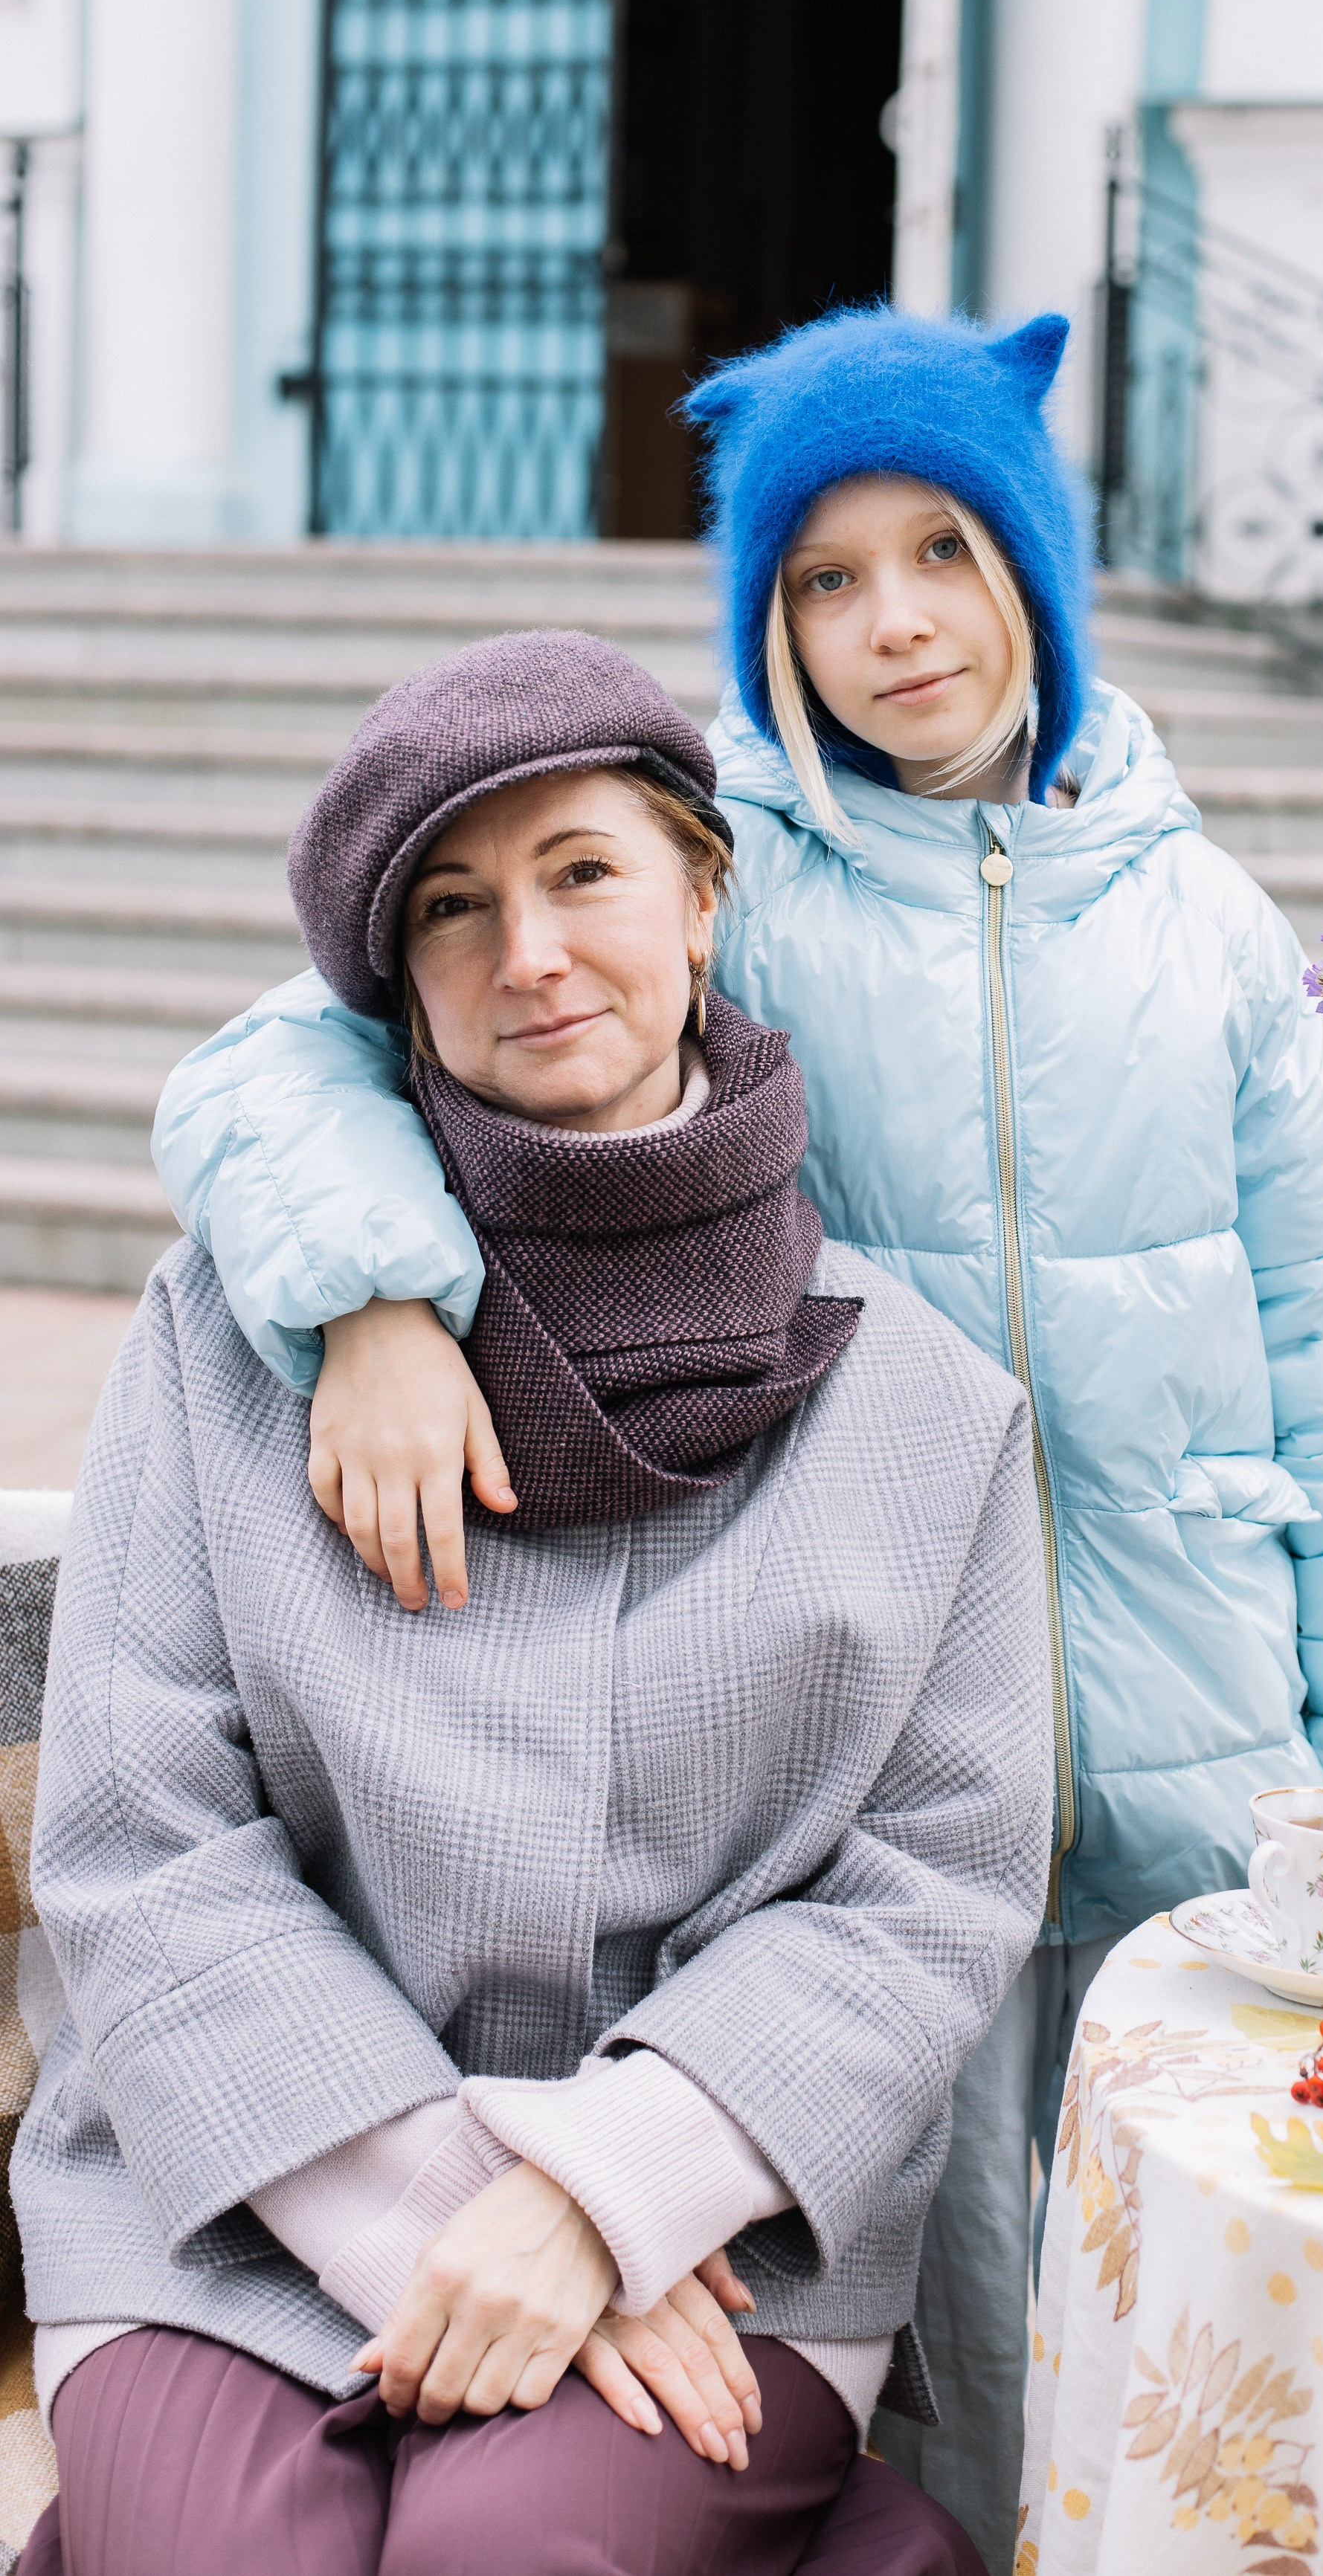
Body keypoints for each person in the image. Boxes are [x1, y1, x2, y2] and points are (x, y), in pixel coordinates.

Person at [150, 303, 1323, 2573]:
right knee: (945, 2343)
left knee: (1212, 2360)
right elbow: (280, 1064)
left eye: (941, 556)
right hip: (860, 1776)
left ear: (1034, 581)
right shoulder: (718, 876)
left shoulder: (1204, 930)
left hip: (1204, 1769)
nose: (889, 626)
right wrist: (372, 1288)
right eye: (820, 580)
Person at [17, 633, 1053, 2576]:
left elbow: (935, 1887)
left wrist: (604, 2193)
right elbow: (141, 1836)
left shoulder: (927, 1402)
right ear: (390, 977)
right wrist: (451, 2197)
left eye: (582, 869)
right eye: (453, 907)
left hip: (716, 2219)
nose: (532, 954)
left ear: (700, 887)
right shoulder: (221, 1340)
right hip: (222, 2189)